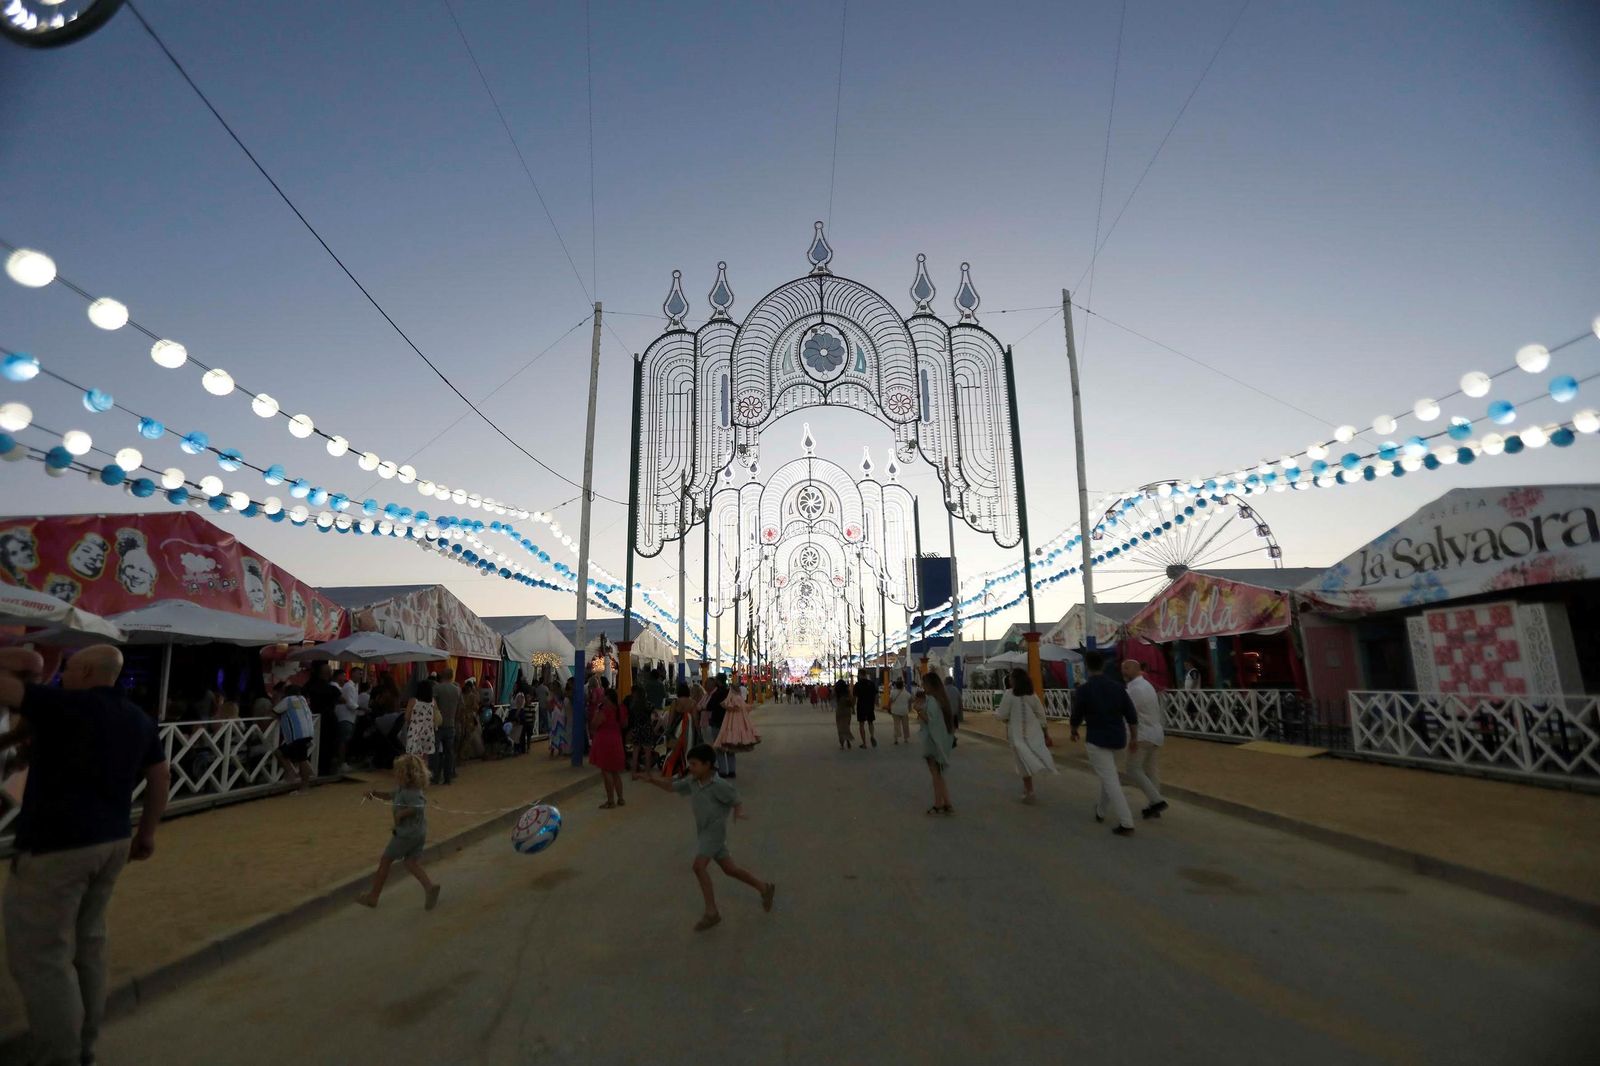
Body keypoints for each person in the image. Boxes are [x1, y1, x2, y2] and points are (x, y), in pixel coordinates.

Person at [0, 645, 168, 1066]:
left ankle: (61, 1057)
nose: (62, 676)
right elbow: (159, 775)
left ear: (88, 671)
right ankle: (85, 1046)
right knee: (89, 946)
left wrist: (20, 666)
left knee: (43, 960)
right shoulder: (139, 719)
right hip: (111, 842)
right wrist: (146, 831)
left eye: (68, 669)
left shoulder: (64, 706)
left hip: (57, 846)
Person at [642, 744, 775, 932]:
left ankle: (712, 913)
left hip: (714, 832)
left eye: (695, 764)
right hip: (704, 831)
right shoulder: (692, 782)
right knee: (730, 869)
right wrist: (652, 780)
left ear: (708, 765)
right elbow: (672, 787)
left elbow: (735, 797)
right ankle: (764, 888)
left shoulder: (719, 785)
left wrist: (738, 811)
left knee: (698, 867)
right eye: (690, 764)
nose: (691, 768)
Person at [355, 754, 440, 911]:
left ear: (405, 774)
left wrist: (401, 814)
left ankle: (373, 896)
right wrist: (375, 793)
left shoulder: (411, 792)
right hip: (418, 832)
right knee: (411, 862)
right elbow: (390, 795)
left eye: (397, 771)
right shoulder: (405, 789)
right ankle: (429, 887)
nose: (394, 774)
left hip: (406, 833)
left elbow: (418, 806)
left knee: (385, 861)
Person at [1070, 651, 1139, 836]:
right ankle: (1100, 810)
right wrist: (1134, 738)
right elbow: (1131, 715)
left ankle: (1126, 823)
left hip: (1097, 740)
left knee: (1111, 780)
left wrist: (1073, 730)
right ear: (1103, 665)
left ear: (1087, 666)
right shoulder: (1118, 687)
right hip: (1119, 739)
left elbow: (1077, 714)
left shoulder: (1084, 690)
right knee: (1109, 777)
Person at [996, 668, 1056, 804]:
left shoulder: (1009, 694)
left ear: (1015, 680)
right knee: (1027, 758)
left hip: (1016, 734)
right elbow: (1041, 715)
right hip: (1033, 734)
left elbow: (1002, 714)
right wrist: (1045, 733)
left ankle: (1029, 790)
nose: (1009, 680)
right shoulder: (1032, 695)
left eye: (1011, 677)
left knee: (1022, 761)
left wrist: (997, 713)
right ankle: (1027, 788)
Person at [1122, 659, 1168, 819]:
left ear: (1136, 669)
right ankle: (1154, 805)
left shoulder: (1135, 689)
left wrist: (1132, 737)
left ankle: (1156, 800)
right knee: (1151, 770)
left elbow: (1129, 714)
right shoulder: (1146, 685)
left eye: (1127, 668)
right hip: (1155, 734)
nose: (1124, 671)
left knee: (1133, 769)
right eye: (1123, 668)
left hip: (1142, 735)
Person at [919, 672, 956, 814]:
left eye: (924, 684)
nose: (923, 687)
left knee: (935, 774)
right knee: (938, 774)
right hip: (941, 740)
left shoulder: (932, 701)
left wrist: (918, 711)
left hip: (932, 742)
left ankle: (938, 803)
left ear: (930, 685)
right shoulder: (942, 700)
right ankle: (947, 803)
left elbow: (930, 720)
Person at [270, 682, 317, 793]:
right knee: (281, 753)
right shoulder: (302, 700)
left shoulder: (288, 700)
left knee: (302, 760)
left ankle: (304, 786)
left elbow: (274, 712)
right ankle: (292, 774)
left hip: (297, 735)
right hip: (307, 732)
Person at [589, 680, 627, 808]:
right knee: (615, 772)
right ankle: (620, 798)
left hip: (604, 742)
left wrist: (596, 714)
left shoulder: (604, 711)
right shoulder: (620, 709)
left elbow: (594, 724)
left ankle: (611, 801)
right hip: (617, 741)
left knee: (606, 772)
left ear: (607, 698)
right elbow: (625, 724)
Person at [304, 662, 343, 776]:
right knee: (328, 746)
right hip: (327, 720)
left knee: (313, 745)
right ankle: (323, 769)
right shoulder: (331, 688)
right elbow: (341, 699)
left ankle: (312, 769)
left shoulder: (308, 686)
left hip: (312, 719)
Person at [714, 682, 760, 765]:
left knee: (729, 740)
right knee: (731, 749)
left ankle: (725, 769)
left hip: (730, 719)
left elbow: (733, 707)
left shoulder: (732, 698)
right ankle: (731, 769)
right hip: (738, 720)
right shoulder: (738, 698)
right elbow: (742, 707)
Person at [431, 669, 462, 784]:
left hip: (438, 725)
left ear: (442, 675)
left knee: (435, 752)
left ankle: (435, 776)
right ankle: (448, 777)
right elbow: (460, 707)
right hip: (451, 724)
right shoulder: (457, 690)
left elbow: (432, 705)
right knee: (449, 752)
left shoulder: (437, 688)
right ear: (452, 676)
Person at [404, 679, 439, 763]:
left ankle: (415, 774)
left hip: (415, 731)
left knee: (413, 757)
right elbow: (435, 717)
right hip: (428, 731)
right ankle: (424, 774)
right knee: (425, 757)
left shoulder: (413, 701)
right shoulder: (433, 701)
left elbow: (406, 717)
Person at [331, 667, 359, 773]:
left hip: (348, 717)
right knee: (343, 741)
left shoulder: (348, 686)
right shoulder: (345, 687)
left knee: (344, 740)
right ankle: (341, 763)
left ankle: (340, 762)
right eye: (342, 676)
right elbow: (348, 702)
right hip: (344, 717)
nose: (344, 678)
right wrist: (359, 708)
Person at [854, 669, 878, 748]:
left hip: (861, 706)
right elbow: (875, 695)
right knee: (870, 722)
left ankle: (864, 743)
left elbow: (855, 696)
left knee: (861, 724)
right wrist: (874, 704)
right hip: (870, 706)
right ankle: (872, 735)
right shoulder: (871, 683)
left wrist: (852, 707)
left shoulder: (857, 684)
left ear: (860, 675)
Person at [887, 679, 912, 744]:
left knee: (896, 725)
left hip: (895, 711)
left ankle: (896, 739)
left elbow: (890, 701)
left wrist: (888, 708)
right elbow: (910, 700)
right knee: (905, 725)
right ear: (903, 686)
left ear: (896, 685)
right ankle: (906, 739)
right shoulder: (906, 693)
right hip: (904, 711)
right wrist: (909, 708)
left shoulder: (893, 692)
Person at [547, 684, 568, 758]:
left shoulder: (552, 695)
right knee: (561, 731)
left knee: (554, 731)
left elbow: (549, 706)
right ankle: (560, 750)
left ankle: (553, 749)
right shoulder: (562, 695)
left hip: (555, 713)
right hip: (561, 713)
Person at [832, 677, 853, 750]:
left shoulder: (836, 692)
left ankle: (842, 744)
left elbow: (832, 699)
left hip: (839, 711)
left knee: (840, 727)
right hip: (847, 711)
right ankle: (848, 740)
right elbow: (851, 700)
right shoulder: (847, 692)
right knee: (847, 726)